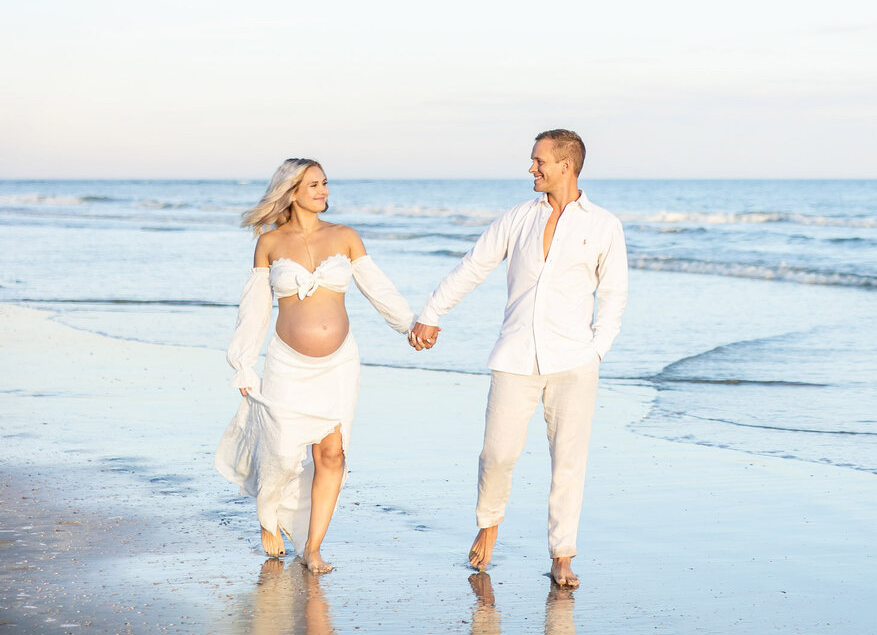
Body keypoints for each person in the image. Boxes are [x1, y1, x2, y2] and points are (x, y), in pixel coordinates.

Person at [408, 129, 628, 587]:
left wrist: (597, 350)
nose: (532, 168)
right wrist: (431, 312)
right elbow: (473, 265)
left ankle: (562, 554)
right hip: (514, 356)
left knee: (568, 461)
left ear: (565, 165)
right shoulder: (517, 218)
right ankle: (488, 526)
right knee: (497, 454)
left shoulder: (604, 225)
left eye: (538, 161)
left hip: (574, 362)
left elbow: (613, 294)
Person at [215, 158, 416, 573]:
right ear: (291, 192)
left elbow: (378, 287)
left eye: (325, 183)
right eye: (313, 185)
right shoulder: (270, 243)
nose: (324, 191)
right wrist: (243, 363)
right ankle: (269, 513)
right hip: (288, 363)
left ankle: (313, 548)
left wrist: (410, 325)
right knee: (283, 453)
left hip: (340, 363)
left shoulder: (345, 237)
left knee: (332, 455)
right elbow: (254, 309)